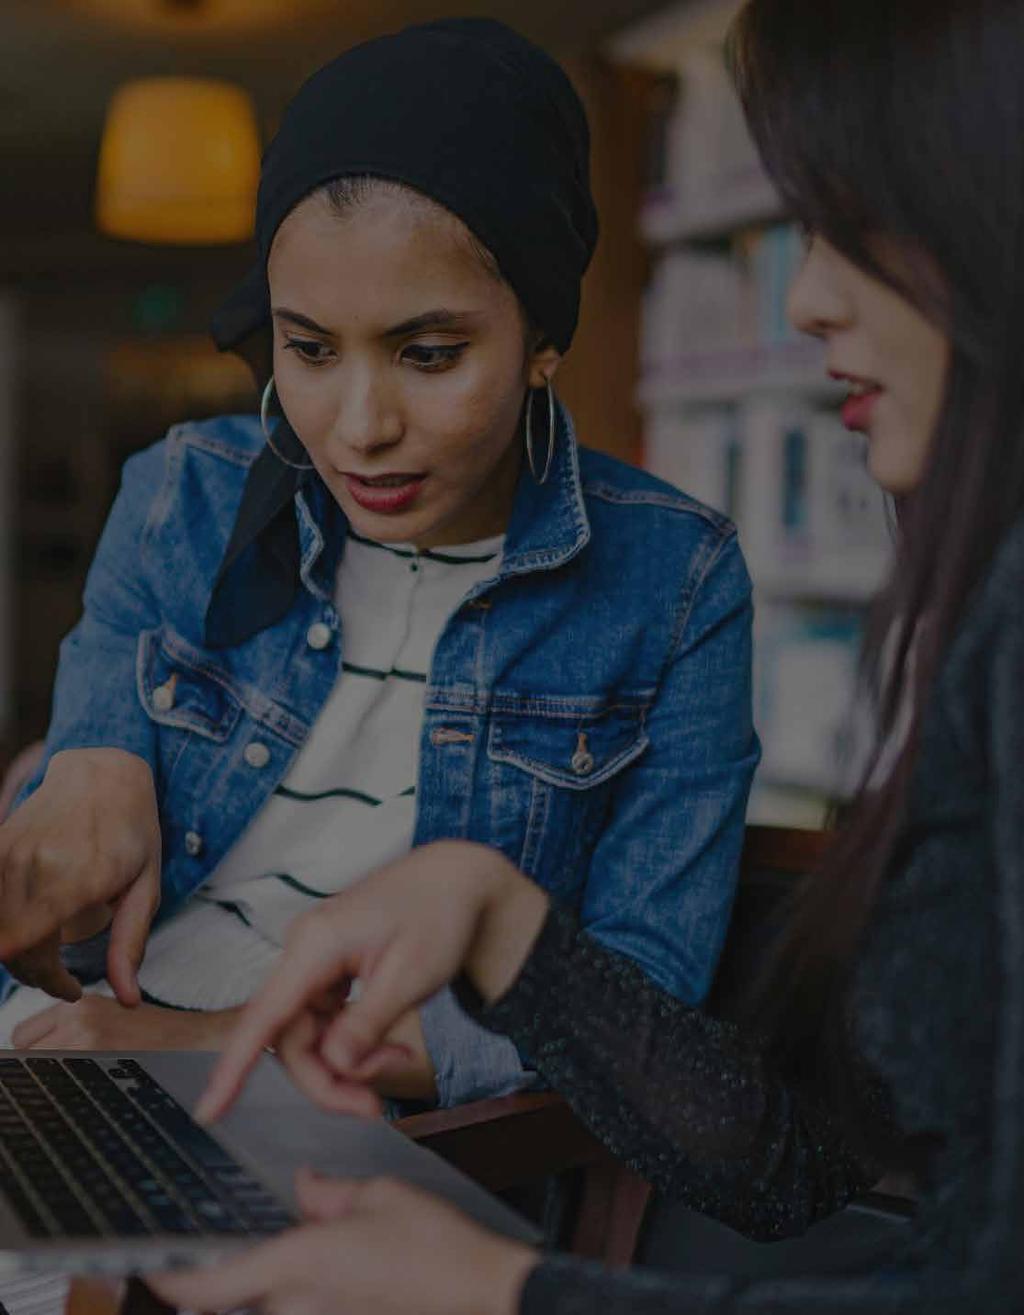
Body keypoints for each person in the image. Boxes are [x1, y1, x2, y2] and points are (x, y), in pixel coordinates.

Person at [150, 0, 1024, 1311]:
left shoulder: (688, 579)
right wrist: (501, 921)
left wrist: (503, 1290)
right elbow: (792, 1172)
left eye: (856, 228)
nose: (807, 300)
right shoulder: (985, 623)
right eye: (310, 350)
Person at [0, 19, 758, 1110]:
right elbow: (73, 779)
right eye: (307, 348)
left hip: (349, 1125)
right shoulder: (185, 490)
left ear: (542, 338)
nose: (357, 427)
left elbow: (633, 1008)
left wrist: (201, 1039)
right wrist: (90, 755)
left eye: (428, 353)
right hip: (77, 1039)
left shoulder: (677, 582)